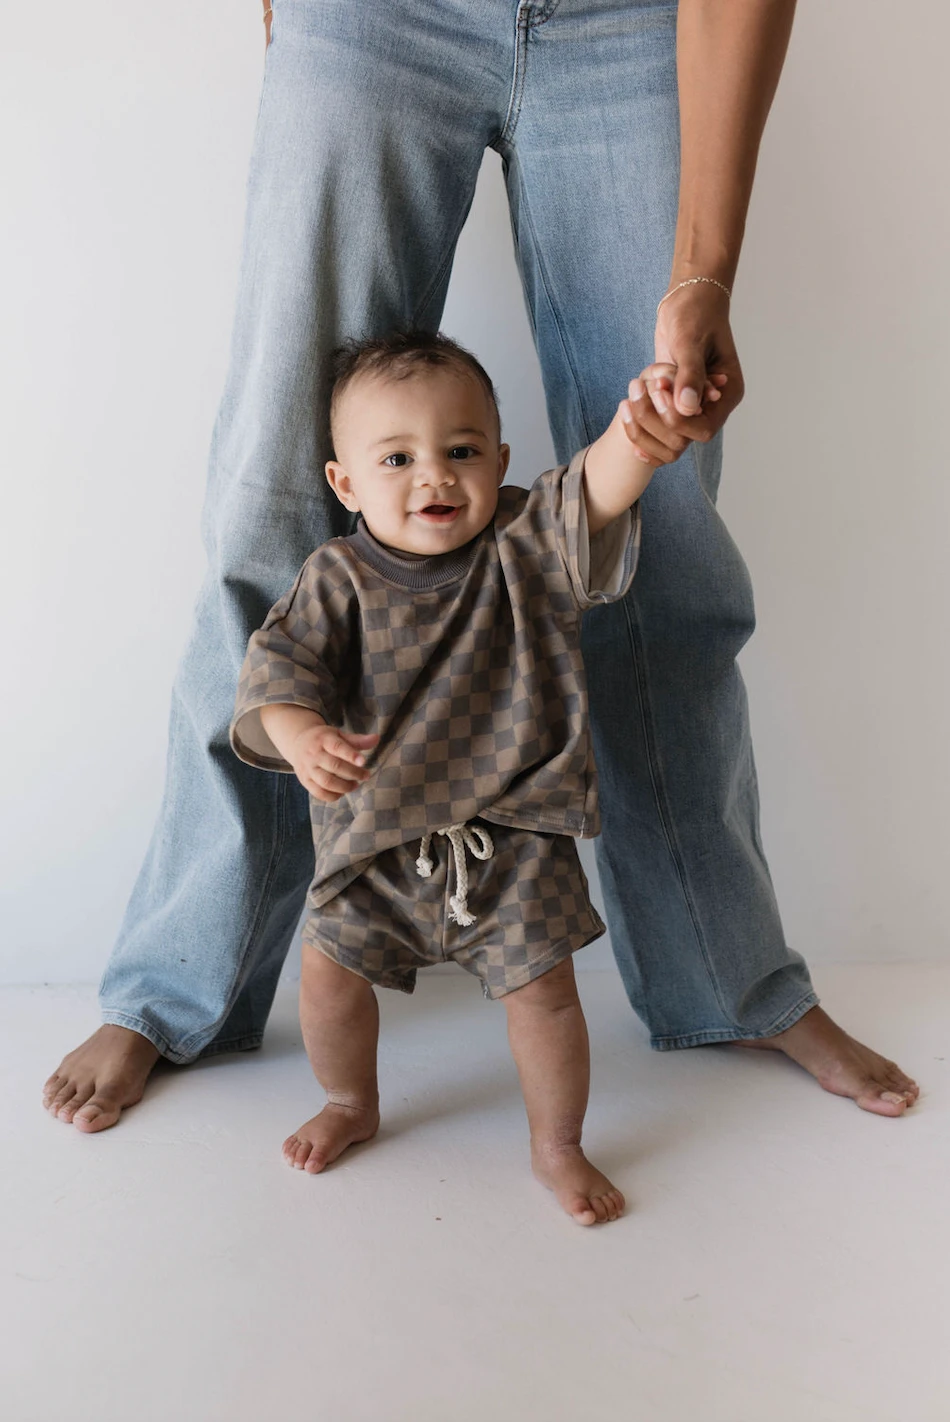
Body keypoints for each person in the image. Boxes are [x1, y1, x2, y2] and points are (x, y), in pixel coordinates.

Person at [44, 0, 918, 1132]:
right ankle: (175, 991)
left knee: (667, 520)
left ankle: (724, 974)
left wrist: (700, 278)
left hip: (633, 26)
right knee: (273, 516)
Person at [231, 329, 700, 1223]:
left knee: (547, 997)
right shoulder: (335, 578)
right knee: (328, 980)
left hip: (515, 837)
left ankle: (557, 1144)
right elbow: (274, 669)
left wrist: (639, 436)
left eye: (461, 451)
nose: (434, 477)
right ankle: (348, 1101)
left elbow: (595, 489)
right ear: (345, 484)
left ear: (500, 459)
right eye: (397, 457)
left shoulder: (524, 543)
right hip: (373, 840)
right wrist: (298, 738)